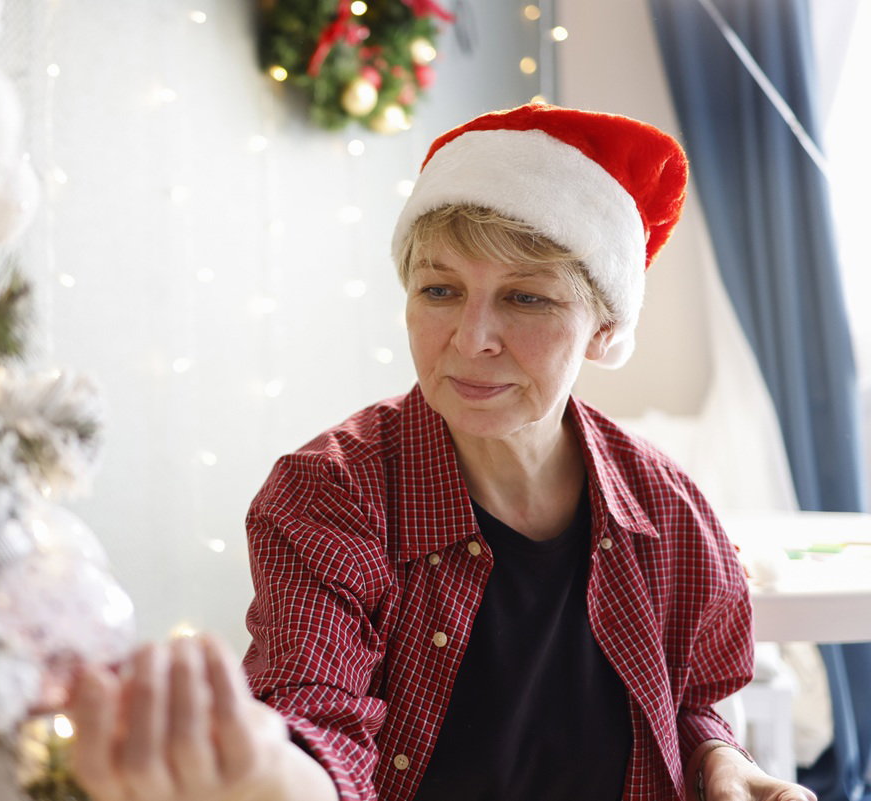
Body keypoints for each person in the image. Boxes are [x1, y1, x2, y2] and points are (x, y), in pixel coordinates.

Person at [66, 104, 817, 801]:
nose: (470, 337)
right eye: (439, 290)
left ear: (601, 328)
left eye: (527, 298)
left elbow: (690, 700)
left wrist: (727, 765)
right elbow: (313, 716)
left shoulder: (667, 507)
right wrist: (268, 775)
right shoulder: (330, 494)